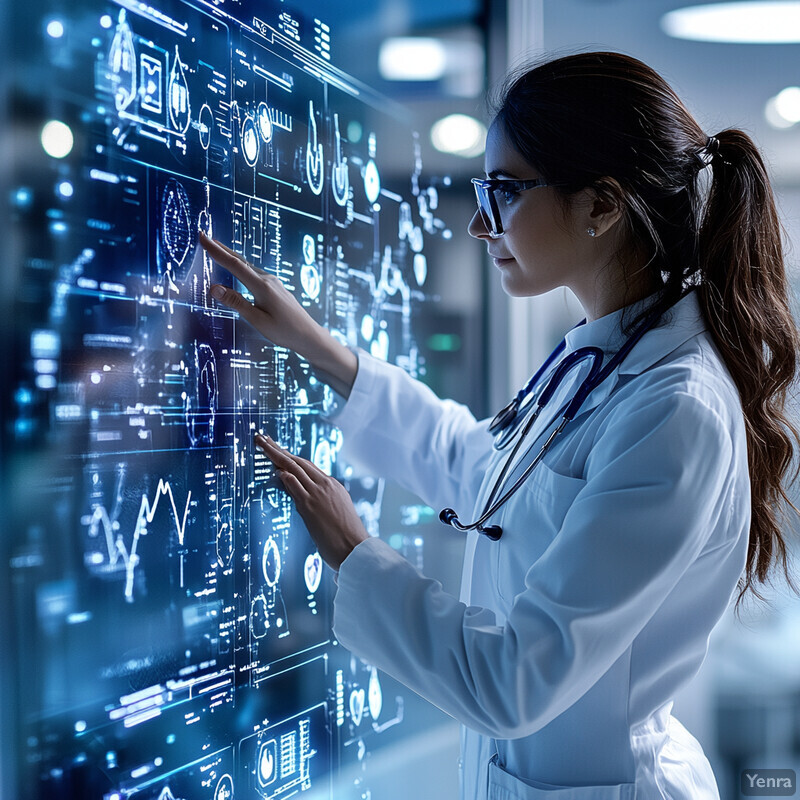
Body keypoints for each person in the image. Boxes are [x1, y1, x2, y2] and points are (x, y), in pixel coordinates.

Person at [198, 51, 800, 800]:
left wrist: (355, 552)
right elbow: (477, 468)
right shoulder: (604, 359)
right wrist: (317, 347)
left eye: (506, 191)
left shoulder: (675, 408)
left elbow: (515, 680)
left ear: (601, 206)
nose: (482, 224)